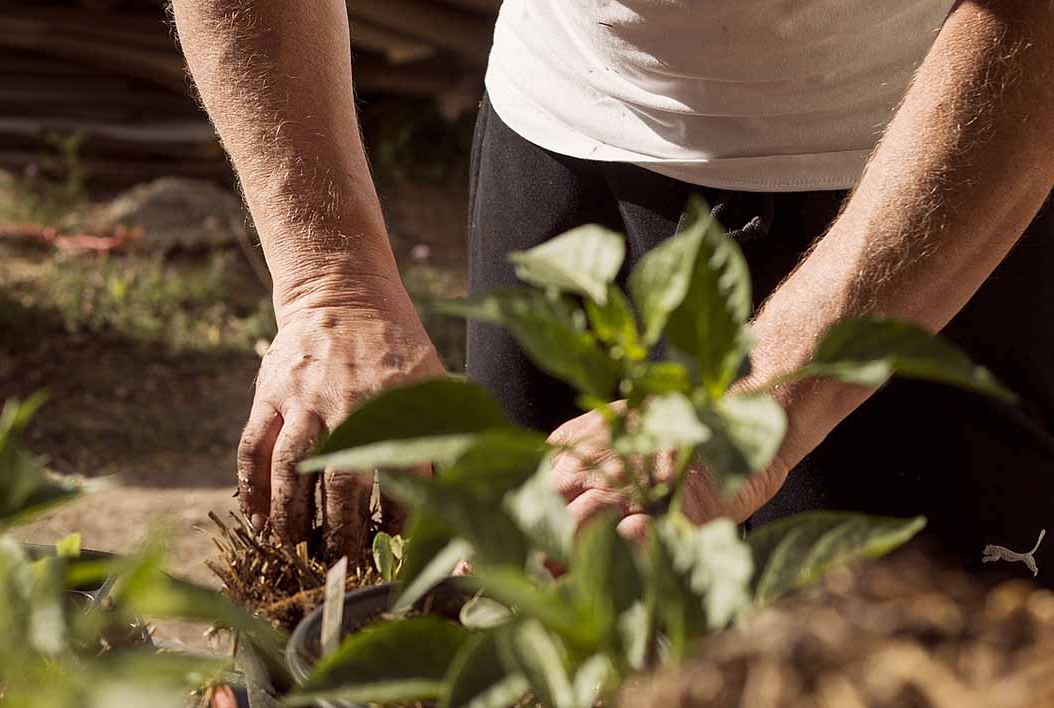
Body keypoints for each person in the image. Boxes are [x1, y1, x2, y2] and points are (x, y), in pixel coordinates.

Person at [170, 0, 1054, 579]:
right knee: (524, 625)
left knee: (874, 662)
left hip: (927, 180)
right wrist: (332, 285)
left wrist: (754, 400)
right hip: (558, 139)